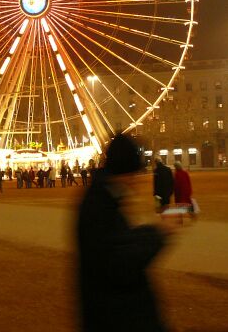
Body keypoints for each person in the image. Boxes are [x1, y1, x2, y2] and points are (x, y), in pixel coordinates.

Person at [77, 133, 170, 332]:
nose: (136, 181)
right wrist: (158, 235)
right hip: (114, 319)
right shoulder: (98, 206)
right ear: (124, 171)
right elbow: (119, 263)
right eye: (134, 174)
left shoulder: (106, 199)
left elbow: (120, 244)